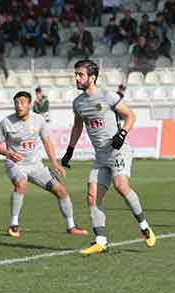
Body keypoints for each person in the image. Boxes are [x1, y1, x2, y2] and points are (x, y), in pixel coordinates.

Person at [61, 59, 156, 256]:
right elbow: (78, 126)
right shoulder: (78, 103)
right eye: (76, 74)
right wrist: (69, 150)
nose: (77, 78)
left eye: (81, 74)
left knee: (121, 186)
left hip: (118, 151)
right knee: (92, 197)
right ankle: (101, 241)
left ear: (92, 77)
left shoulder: (107, 95)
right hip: (100, 156)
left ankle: (144, 226)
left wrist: (121, 135)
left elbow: (130, 116)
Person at [0, 91, 88, 238]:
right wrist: (9, 154)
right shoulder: (6, 122)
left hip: (36, 166)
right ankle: (14, 225)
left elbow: (47, 142)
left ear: (29, 105)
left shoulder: (38, 120)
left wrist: (55, 163)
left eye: (22, 102)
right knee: (21, 184)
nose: (19, 106)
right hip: (16, 164)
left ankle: (71, 226)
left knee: (61, 191)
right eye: (16, 103)